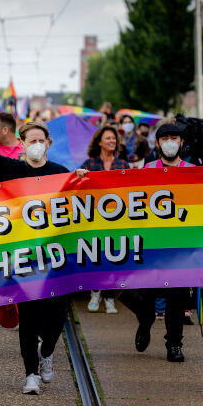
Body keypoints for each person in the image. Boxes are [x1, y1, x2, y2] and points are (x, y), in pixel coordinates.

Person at [0, 105, 86, 395]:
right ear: (22, 144)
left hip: (56, 261)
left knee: (56, 317)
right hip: (24, 260)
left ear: (49, 144)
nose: (36, 145)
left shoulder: (60, 174)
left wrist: (84, 180)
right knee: (30, 318)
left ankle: (46, 353)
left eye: (40, 140)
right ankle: (30, 374)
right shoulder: (14, 171)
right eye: (30, 141)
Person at [123, 123, 194, 364]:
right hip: (152, 244)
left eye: (175, 138)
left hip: (181, 246)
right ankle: (145, 321)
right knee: (142, 293)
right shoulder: (148, 168)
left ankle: (174, 344)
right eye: (165, 138)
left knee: (177, 298)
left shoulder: (193, 171)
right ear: (157, 143)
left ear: (182, 142)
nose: (170, 142)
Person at [81, 125, 129, 314]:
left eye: (114, 138)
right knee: (96, 257)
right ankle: (95, 292)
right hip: (95, 219)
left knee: (114, 258)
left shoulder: (123, 165)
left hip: (117, 220)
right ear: (99, 141)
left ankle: (109, 297)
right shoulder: (89, 164)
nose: (112, 141)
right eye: (108, 138)